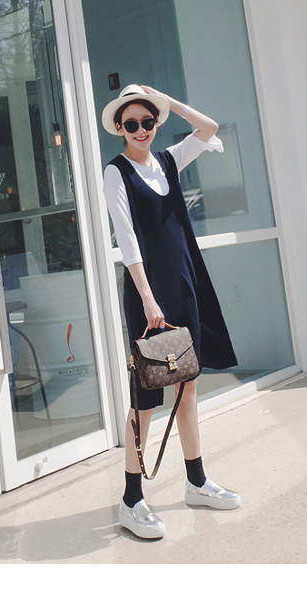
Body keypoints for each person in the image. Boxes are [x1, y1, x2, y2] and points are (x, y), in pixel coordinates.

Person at [102, 84, 240, 540]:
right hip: (150, 292)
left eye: (148, 121)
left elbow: (209, 128)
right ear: (119, 128)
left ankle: (197, 481)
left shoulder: (168, 160)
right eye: (132, 124)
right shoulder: (117, 171)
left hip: (184, 283)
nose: (141, 130)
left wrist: (166, 101)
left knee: (188, 386)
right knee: (145, 397)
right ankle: (131, 498)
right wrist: (147, 298)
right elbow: (127, 239)